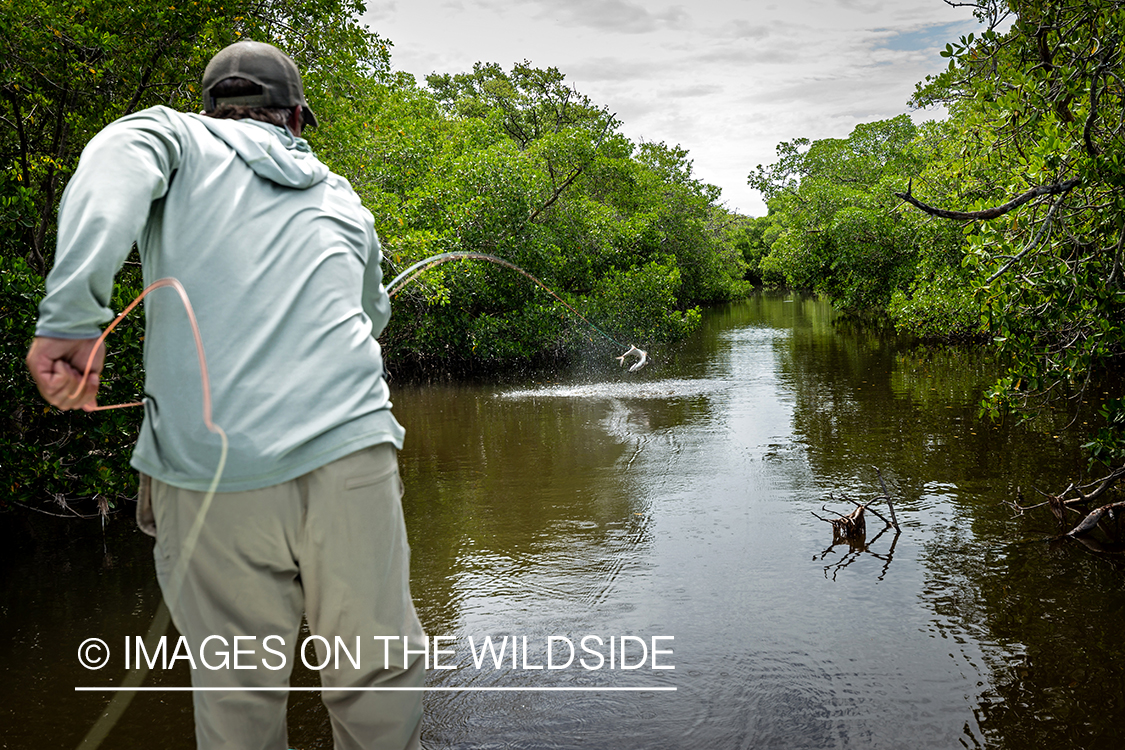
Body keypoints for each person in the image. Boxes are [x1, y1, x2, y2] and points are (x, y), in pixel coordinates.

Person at [25, 40, 425, 750]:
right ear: (297, 117)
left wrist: (72, 320)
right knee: (375, 682)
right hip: (352, 458)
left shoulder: (171, 136)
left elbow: (114, 161)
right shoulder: (341, 196)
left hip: (213, 476)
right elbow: (374, 314)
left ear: (212, 107)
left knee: (239, 696)